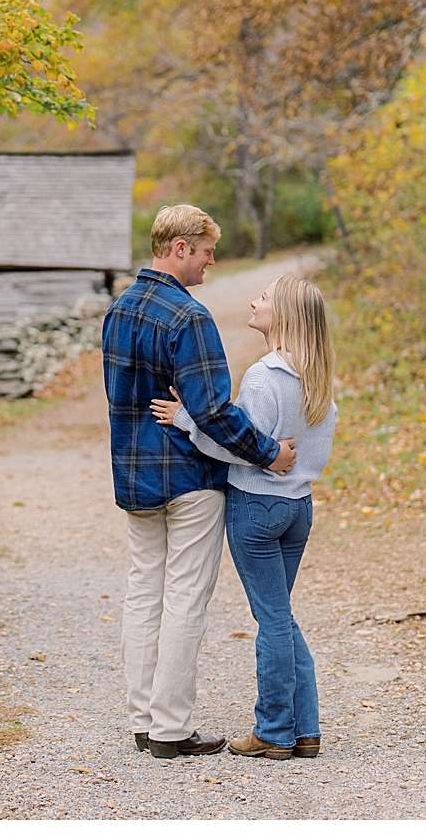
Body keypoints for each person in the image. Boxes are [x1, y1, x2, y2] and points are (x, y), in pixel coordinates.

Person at [103, 204, 297, 760]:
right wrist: (268, 454)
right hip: (188, 476)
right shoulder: (188, 317)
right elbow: (211, 410)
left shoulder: (118, 309)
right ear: (181, 247)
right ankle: (170, 730)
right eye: (208, 253)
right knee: (185, 597)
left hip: (134, 475)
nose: (212, 264)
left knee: (144, 591)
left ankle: (143, 721)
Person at [150, 275, 337, 760]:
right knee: (282, 616)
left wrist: (187, 418)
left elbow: (236, 442)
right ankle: (306, 729)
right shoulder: (317, 380)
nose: (254, 301)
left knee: (272, 620)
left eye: (265, 298)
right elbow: (310, 452)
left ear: (286, 316)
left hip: (257, 507)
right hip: (298, 508)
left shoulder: (263, 376)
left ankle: (273, 731)